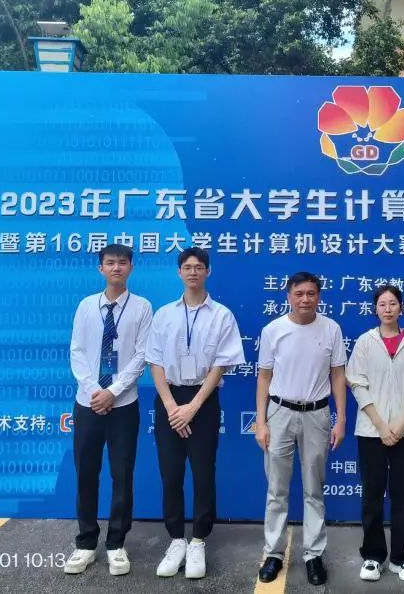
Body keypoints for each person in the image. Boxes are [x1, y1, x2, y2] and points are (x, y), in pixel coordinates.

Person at [147, 247, 245, 580]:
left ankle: (199, 540)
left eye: (199, 267)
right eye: (187, 267)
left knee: (203, 472)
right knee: (171, 473)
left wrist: (193, 406)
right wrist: (172, 406)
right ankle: (176, 539)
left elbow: (221, 365)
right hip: (169, 400)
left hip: (203, 400)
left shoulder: (222, 315)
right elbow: (155, 361)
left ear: (208, 272)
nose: (193, 272)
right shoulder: (164, 315)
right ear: (179, 272)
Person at [64, 243, 152, 577]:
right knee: (86, 474)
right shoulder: (86, 306)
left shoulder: (142, 307)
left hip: (123, 405)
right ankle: (86, 542)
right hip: (87, 404)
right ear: (100, 268)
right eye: (110, 262)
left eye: (122, 262)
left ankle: (116, 543)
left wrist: (113, 391)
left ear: (131, 268)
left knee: (121, 475)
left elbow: (142, 355)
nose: (116, 267)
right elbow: (76, 351)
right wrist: (94, 390)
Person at [255, 272, 347, 587]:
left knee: (314, 488)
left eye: (311, 293)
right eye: (299, 293)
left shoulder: (331, 329)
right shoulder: (273, 330)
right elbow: (264, 378)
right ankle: (273, 553)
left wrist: (341, 419)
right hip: (280, 412)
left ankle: (313, 555)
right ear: (288, 296)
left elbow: (338, 375)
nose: (305, 299)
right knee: (276, 489)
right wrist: (261, 422)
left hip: (317, 414)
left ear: (318, 296)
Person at [346, 284, 404, 584]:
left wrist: (402, 424)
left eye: (393, 303)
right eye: (382, 304)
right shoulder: (365, 342)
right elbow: (357, 383)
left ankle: (401, 557)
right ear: (375, 309)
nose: (387, 309)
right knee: (372, 493)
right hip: (372, 430)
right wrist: (382, 426)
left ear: (401, 308)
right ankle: (373, 556)